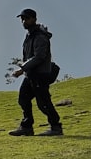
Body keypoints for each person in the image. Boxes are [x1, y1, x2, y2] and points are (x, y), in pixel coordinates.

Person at [9, 8, 63, 137]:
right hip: (31, 75)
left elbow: (39, 57)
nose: (24, 21)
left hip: (40, 75)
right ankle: (26, 127)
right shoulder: (29, 35)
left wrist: (22, 69)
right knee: (23, 99)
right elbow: (28, 56)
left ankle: (56, 127)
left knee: (43, 103)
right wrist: (25, 70)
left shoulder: (40, 36)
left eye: (26, 18)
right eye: (22, 19)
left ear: (34, 19)